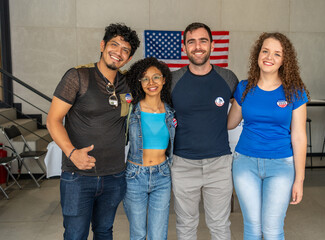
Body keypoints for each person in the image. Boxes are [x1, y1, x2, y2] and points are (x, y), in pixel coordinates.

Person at [46, 23, 140, 240]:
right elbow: (53, 120)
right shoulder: (78, 76)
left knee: (105, 231)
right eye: (114, 45)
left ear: (129, 57)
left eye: (125, 50)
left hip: (115, 175)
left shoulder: (128, 83)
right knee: (75, 234)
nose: (118, 52)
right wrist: (71, 153)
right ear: (102, 45)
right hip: (78, 177)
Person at [228, 32, 309, 240]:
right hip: (244, 163)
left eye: (276, 54)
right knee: (253, 227)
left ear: (284, 60)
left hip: (281, 166)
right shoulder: (244, 88)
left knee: (273, 230)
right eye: (265, 51)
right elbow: (230, 123)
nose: (269, 57)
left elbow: (299, 137)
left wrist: (299, 179)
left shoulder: (294, 91)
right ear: (257, 54)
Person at [171, 22, 239, 240]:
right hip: (182, 164)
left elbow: (243, 108)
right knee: (186, 224)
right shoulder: (172, 81)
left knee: (219, 224)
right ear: (184, 47)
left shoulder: (228, 78)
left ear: (212, 44)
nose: (197, 46)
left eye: (203, 41)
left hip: (219, 164)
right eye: (191, 41)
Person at [123, 57, 176, 240]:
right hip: (135, 175)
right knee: (138, 234)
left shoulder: (171, 112)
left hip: (162, 175)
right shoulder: (132, 110)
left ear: (164, 79)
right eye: (145, 78)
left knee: (158, 235)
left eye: (155, 77)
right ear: (139, 82)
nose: (151, 83)